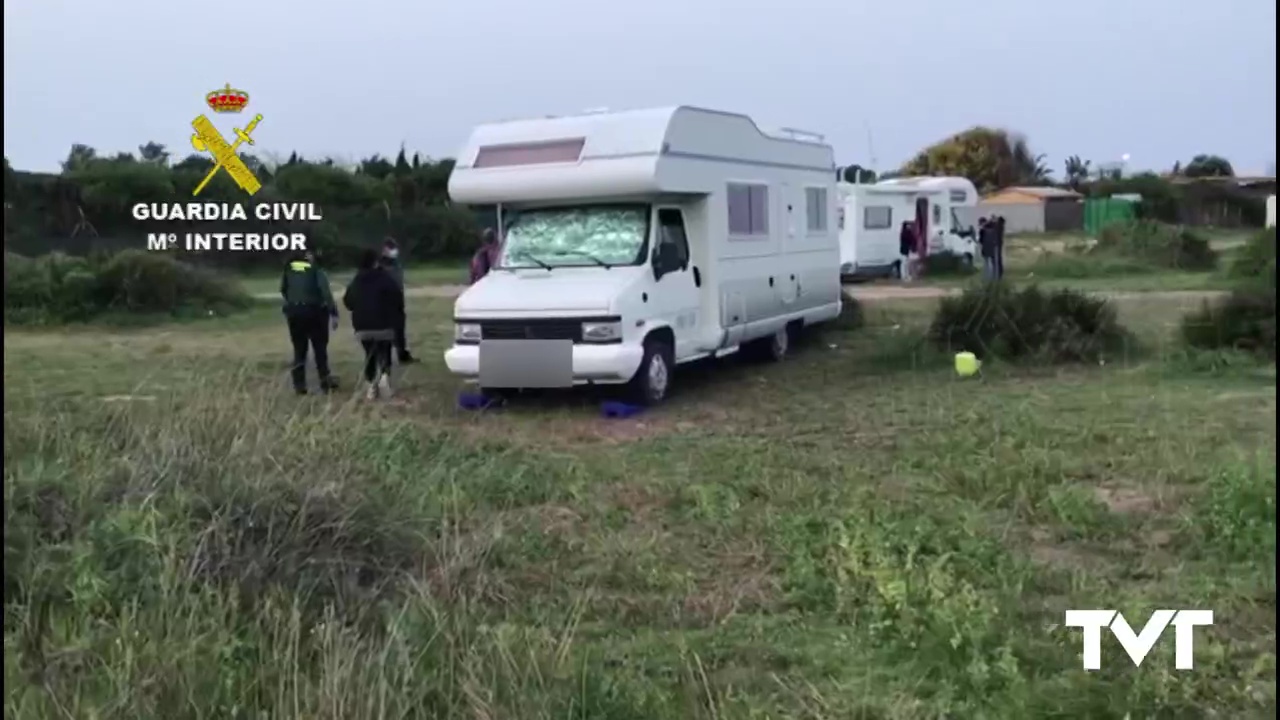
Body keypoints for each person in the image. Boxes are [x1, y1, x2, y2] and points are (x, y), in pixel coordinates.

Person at [344, 248, 405, 400]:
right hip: (384, 325)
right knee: (385, 352)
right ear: (375, 262)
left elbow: (348, 302)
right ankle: (384, 377)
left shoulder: (356, 280)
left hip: (362, 327)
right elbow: (397, 297)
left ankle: (371, 385)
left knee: (369, 355)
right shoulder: (384, 277)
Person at [280, 249, 339, 395]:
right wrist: (333, 312)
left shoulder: (289, 269)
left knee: (299, 350)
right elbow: (325, 292)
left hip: (294, 313)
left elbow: (283, 289)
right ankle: (325, 381)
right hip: (315, 312)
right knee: (320, 349)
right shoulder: (315, 270)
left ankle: (299, 385)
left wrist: (293, 302)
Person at [379, 239, 417, 364]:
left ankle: (402, 353)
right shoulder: (381, 265)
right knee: (388, 330)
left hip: (398, 299)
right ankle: (386, 356)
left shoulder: (396, 264)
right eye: (391, 248)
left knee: (400, 328)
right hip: (386, 301)